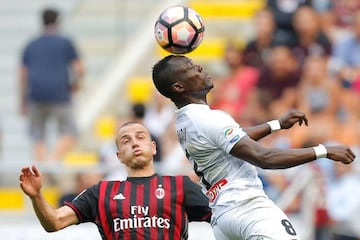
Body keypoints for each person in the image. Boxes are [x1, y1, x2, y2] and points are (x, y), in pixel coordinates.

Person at [152, 54, 355, 240]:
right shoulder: (209, 119)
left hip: (223, 218)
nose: (199, 67)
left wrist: (276, 125)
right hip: (248, 208)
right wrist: (324, 151)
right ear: (178, 87)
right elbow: (264, 158)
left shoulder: (185, 121)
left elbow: (234, 140)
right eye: (191, 68)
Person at [19, 122, 212, 240]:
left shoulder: (180, 186)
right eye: (126, 141)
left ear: (153, 147)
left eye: (140, 137)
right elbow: (54, 222)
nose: (134, 143)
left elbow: (223, 216)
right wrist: (36, 196)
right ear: (119, 156)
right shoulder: (101, 192)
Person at [19, 8, 85, 162]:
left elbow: (23, 75)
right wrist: (75, 84)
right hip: (60, 93)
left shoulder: (31, 45)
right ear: (58, 22)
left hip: (36, 94)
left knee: (38, 136)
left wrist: (23, 100)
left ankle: (41, 170)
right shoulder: (65, 43)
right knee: (70, 133)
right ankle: (52, 160)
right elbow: (80, 69)